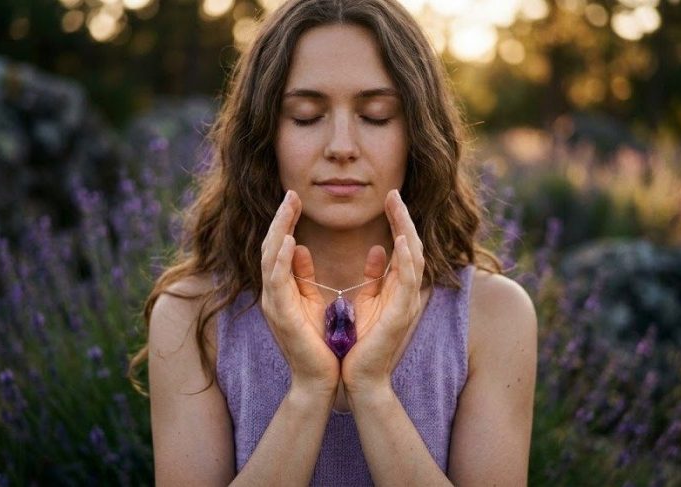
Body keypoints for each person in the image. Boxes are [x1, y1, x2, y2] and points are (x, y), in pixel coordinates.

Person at [129, 0, 538, 484]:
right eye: (305, 116)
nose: (341, 145)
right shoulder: (191, 316)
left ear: (417, 133)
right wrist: (309, 389)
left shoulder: (492, 316)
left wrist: (372, 389)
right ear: (265, 135)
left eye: (377, 115)